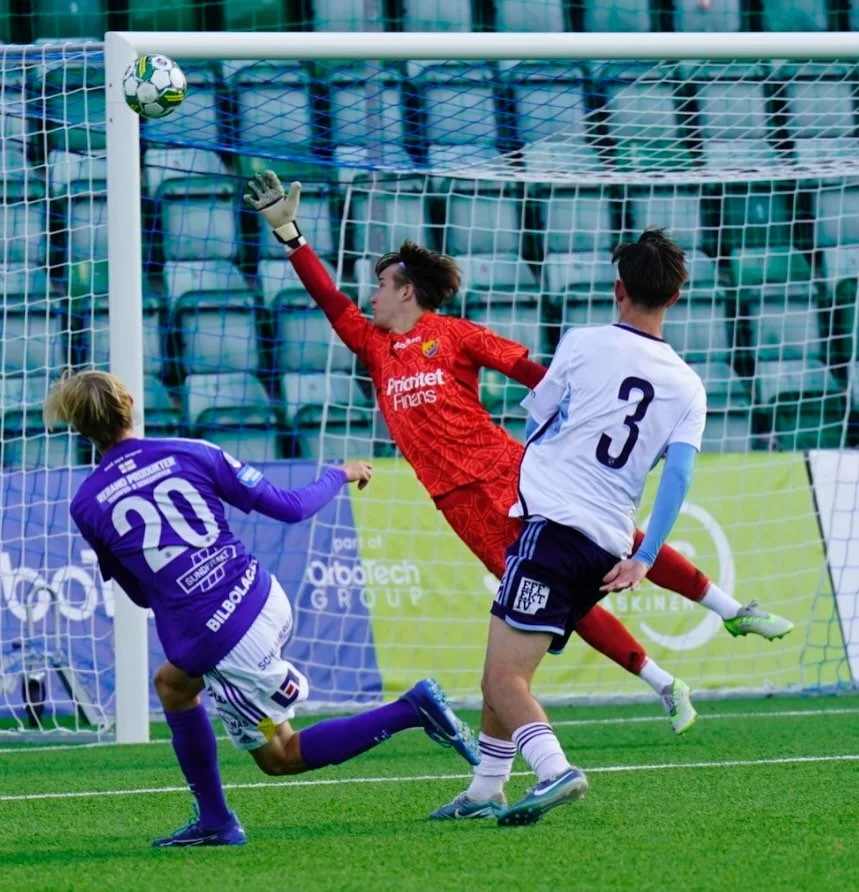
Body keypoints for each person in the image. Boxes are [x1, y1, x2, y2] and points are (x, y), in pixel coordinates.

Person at [243, 170, 793, 741]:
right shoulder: (375, 346)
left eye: (381, 284)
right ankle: (662, 681)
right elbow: (331, 304)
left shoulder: (454, 334)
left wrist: (588, 407)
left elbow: (534, 372)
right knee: (549, 598)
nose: (372, 295)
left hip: (506, 468)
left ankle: (732, 609)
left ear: (406, 290)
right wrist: (291, 236)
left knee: (613, 540)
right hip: (459, 503)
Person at [45, 370, 479, 848]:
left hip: (223, 640)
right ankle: (213, 818)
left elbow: (140, 593)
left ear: (78, 428)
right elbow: (291, 507)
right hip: (263, 594)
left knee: (281, 755)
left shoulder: (86, 503)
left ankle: (410, 709)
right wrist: (340, 473)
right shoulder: (193, 451)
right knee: (173, 683)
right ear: (129, 403)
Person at [465, 228, 710, 826]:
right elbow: (676, 477)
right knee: (508, 675)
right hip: (607, 543)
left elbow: (540, 416)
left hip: (552, 529)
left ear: (618, 288)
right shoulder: (687, 384)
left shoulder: (584, 342)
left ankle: (556, 771)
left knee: (500, 680)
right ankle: (484, 791)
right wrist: (646, 556)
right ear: (675, 297)